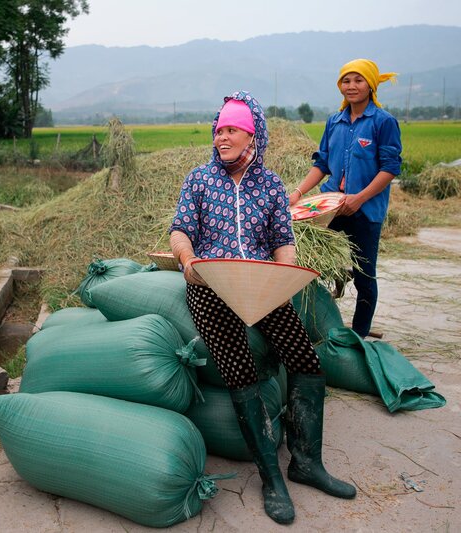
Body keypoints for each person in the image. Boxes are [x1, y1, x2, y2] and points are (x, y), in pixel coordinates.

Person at [169, 91, 356, 525]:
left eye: (231, 129)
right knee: (240, 370)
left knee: (308, 364)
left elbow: (282, 242)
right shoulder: (199, 179)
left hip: (259, 286)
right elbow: (180, 230)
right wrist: (187, 259)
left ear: (252, 136)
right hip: (212, 288)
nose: (222, 137)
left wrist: (283, 278)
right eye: (218, 130)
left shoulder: (270, 185)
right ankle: (272, 478)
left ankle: (307, 463)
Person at [290, 58, 402, 338]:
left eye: (358, 80)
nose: (351, 86)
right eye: (346, 81)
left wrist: (359, 199)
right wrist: (298, 193)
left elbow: (389, 169)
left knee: (365, 275)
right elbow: (322, 164)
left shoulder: (383, 122)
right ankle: (308, 319)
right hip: (329, 206)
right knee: (303, 256)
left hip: (366, 210)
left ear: (371, 85)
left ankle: (359, 336)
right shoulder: (335, 121)